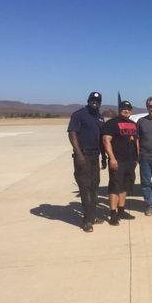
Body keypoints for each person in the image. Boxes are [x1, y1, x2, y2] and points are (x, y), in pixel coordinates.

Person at [67, 91, 107, 233]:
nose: (95, 102)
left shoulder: (100, 118)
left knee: (94, 187)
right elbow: (72, 134)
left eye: (97, 101)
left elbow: (102, 139)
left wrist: (104, 157)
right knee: (84, 187)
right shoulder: (79, 114)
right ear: (89, 100)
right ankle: (87, 220)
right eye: (93, 100)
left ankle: (92, 215)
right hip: (83, 156)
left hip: (95, 156)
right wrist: (79, 155)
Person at [102, 100, 139, 226]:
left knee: (125, 186)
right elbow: (106, 140)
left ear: (131, 111)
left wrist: (136, 158)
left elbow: (136, 142)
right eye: (123, 108)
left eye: (128, 108)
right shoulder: (111, 123)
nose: (126, 110)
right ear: (119, 109)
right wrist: (112, 158)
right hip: (117, 161)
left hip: (130, 161)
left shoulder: (133, 124)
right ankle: (113, 214)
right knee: (115, 187)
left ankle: (121, 211)